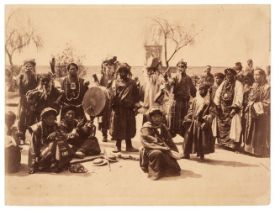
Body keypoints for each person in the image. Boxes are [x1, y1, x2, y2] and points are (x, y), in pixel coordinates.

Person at [139, 107, 181, 180]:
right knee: (157, 153)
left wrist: (172, 149)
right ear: (150, 118)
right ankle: (154, 171)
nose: (157, 119)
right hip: (150, 148)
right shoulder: (146, 127)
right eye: (154, 117)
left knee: (175, 168)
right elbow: (149, 141)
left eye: (159, 116)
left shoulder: (162, 126)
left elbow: (169, 139)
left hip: (163, 147)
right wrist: (163, 147)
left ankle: (164, 169)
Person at [28, 108, 72, 174]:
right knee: (53, 144)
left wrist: (56, 133)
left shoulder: (55, 125)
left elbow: (64, 136)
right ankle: (44, 164)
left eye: (53, 118)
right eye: (50, 119)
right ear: (44, 119)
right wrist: (33, 163)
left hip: (51, 150)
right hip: (41, 152)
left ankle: (56, 163)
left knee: (62, 143)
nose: (52, 121)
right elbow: (33, 146)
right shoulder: (37, 128)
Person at [110, 63, 139, 152]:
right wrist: (113, 105)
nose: (122, 73)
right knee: (118, 127)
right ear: (118, 72)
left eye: (124, 71)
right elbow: (112, 95)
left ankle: (129, 146)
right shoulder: (115, 82)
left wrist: (135, 106)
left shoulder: (132, 83)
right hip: (118, 109)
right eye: (121, 71)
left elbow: (136, 95)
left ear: (127, 72)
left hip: (128, 109)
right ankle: (117, 146)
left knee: (129, 127)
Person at [182, 83, 215, 160]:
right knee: (189, 137)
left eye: (203, 89)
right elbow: (191, 109)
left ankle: (201, 153)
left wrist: (209, 116)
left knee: (202, 139)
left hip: (203, 122)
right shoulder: (195, 100)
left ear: (206, 90)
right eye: (200, 89)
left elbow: (213, 111)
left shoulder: (209, 101)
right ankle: (186, 154)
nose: (201, 91)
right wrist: (189, 116)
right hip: (194, 122)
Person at [214, 68, 243, 151]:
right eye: (227, 75)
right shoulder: (224, 83)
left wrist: (235, 107)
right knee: (221, 125)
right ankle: (223, 143)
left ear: (234, 75)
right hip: (223, 109)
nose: (228, 76)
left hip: (232, 108)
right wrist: (218, 105)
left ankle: (233, 145)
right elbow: (218, 94)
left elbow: (239, 96)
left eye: (230, 74)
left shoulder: (238, 84)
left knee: (234, 125)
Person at [243, 68, 270, 157]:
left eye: (258, 75)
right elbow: (250, 98)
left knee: (260, 131)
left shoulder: (268, 87)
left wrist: (256, 105)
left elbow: (268, 101)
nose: (256, 77)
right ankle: (249, 149)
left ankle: (259, 151)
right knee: (250, 129)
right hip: (252, 113)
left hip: (262, 114)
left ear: (263, 76)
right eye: (254, 75)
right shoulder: (254, 85)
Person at [167, 60, 197, 137]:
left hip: (185, 102)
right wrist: (170, 82)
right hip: (176, 101)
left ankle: (184, 134)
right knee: (174, 118)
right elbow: (170, 85)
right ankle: (171, 134)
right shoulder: (175, 77)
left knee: (184, 117)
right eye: (179, 66)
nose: (181, 68)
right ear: (177, 67)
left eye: (182, 67)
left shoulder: (188, 78)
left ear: (185, 68)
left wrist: (195, 98)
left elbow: (193, 90)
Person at [17, 59, 38, 144]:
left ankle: (33, 138)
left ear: (33, 68)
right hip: (23, 101)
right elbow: (20, 92)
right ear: (23, 68)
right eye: (26, 66)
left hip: (33, 101)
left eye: (30, 66)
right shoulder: (21, 77)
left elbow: (37, 89)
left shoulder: (36, 77)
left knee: (32, 119)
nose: (28, 68)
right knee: (22, 118)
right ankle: (21, 138)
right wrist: (25, 100)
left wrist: (33, 101)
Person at [98, 57, 118, 142]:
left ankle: (113, 133)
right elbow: (96, 88)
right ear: (104, 67)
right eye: (107, 67)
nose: (109, 68)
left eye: (111, 67)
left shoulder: (116, 77)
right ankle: (104, 134)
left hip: (113, 101)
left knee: (113, 117)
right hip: (103, 101)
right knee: (103, 118)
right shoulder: (101, 77)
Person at [142, 57, 167, 123]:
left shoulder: (148, 76)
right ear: (156, 66)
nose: (161, 66)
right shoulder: (159, 76)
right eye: (159, 65)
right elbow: (162, 90)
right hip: (156, 103)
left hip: (149, 103)